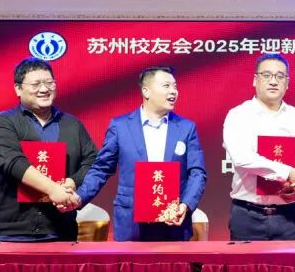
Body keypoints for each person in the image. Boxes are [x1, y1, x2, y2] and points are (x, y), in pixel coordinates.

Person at [74, 66, 207, 241]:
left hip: (173, 221)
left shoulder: (186, 128)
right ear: (146, 91)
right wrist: (79, 197)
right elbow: (101, 169)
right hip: (131, 223)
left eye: (175, 86)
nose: (173, 91)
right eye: (166, 86)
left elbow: (197, 172)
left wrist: (185, 205)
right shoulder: (120, 127)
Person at [0, 57, 97, 241]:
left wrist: (73, 181)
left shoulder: (72, 124)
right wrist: (53, 189)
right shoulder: (3, 122)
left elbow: (92, 161)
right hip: (15, 232)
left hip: (62, 229)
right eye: (36, 84)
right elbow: (12, 162)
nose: (44, 89)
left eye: (49, 83)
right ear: (18, 89)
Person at [222, 53, 295, 240]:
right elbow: (242, 158)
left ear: (287, 83)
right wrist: (288, 173)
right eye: (266, 75)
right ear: (255, 80)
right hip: (247, 216)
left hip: (289, 217)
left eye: (280, 76)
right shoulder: (238, 115)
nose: (273, 81)